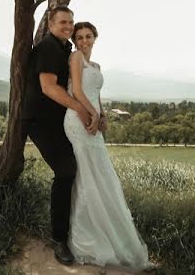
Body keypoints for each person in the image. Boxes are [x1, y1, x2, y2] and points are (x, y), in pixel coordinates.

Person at [63, 21, 153, 270]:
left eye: (88, 36)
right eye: (79, 37)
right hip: (77, 120)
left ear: (95, 38)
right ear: (75, 40)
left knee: (102, 177)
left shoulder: (96, 65)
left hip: (92, 119)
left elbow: (96, 95)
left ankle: (114, 238)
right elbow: (78, 92)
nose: (83, 41)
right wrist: (91, 114)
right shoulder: (75, 58)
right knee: (86, 177)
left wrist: (102, 116)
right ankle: (86, 241)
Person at [21, 5, 98, 266]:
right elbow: (48, 87)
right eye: (63, 22)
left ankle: (81, 229)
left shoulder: (66, 49)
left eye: (71, 22)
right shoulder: (47, 48)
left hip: (61, 121)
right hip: (41, 122)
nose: (68, 26)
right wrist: (79, 108)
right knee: (66, 172)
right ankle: (59, 239)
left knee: (80, 170)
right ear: (51, 24)